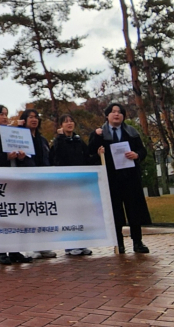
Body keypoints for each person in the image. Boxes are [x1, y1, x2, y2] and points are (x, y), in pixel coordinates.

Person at [88, 103, 151, 254]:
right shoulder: (99, 134)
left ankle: (137, 242)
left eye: (120, 112)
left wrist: (137, 155)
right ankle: (119, 243)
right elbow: (89, 154)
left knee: (134, 210)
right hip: (111, 180)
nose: (116, 114)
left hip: (130, 178)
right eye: (113, 112)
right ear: (107, 115)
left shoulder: (131, 132)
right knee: (115, 212)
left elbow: (142, 150)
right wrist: (98, 153)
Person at [0, 105, 33, 265]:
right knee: (1, 216)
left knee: (16, 215)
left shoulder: (14, 133)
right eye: (1, 114)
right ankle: (2, 252)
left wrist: (22, 156)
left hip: (15, 177)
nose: (4, 117)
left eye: (6, 114)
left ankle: (15, 251)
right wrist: (5, 157)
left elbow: (25, 150)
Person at [50, 114, 94, 256]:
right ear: (61, 125)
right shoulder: (58, 141)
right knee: (68, 214)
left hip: (80, 182)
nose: (69, 124)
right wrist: (61, 138)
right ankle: (70, 245)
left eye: (71, 121)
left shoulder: (78, 140)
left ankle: (81, 244)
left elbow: (88, 158)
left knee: (81, 213)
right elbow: (55, 159)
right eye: (66, 121)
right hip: (65, 183)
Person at [18, 109, 56, 260]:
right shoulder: (19, 137)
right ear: (24, 120)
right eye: (30, 117)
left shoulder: (42, 140)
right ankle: (31, 247)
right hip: (26, 180)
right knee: (29, 214)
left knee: (43, 214)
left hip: (43, 180)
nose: (34, 120)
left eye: (36, 117)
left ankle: (44, 246)